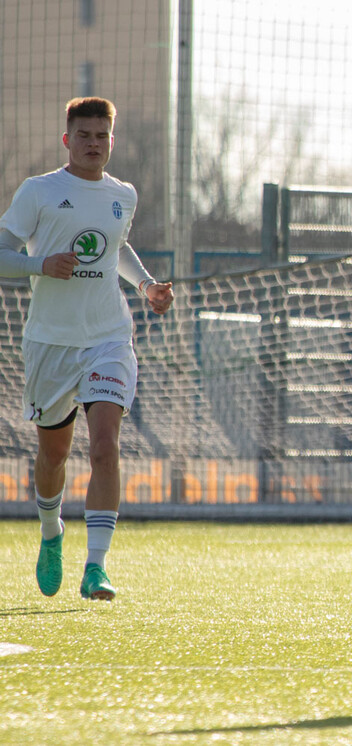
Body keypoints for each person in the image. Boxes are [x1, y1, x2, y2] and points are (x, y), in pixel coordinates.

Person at [0, 97, 174, 602]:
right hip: (50, 342)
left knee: (104, 447)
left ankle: (96, 566)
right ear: (67, 139)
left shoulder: (123, 194)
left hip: (108, 337)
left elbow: (117, 246)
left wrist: (146, 287)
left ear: (111, 140)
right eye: (84, 135)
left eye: (102, 135)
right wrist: (39, 266)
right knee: (53, 454)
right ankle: (51, 532)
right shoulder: (39, 192)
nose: (93, 144)